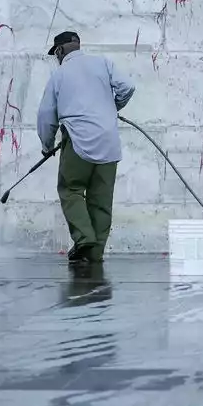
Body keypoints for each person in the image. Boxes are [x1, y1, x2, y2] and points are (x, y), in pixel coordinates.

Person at [38, 31, 136, 264]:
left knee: (70, 190)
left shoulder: (59, 74)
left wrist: (47, 145)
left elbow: (46, 115)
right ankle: (94, 254)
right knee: (101, 200)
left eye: (56, 54)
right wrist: (113, 106)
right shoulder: (103, 63)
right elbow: (128, 87)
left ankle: (84, 238)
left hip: (78, 141)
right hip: (108, 142)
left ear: (60, 51)